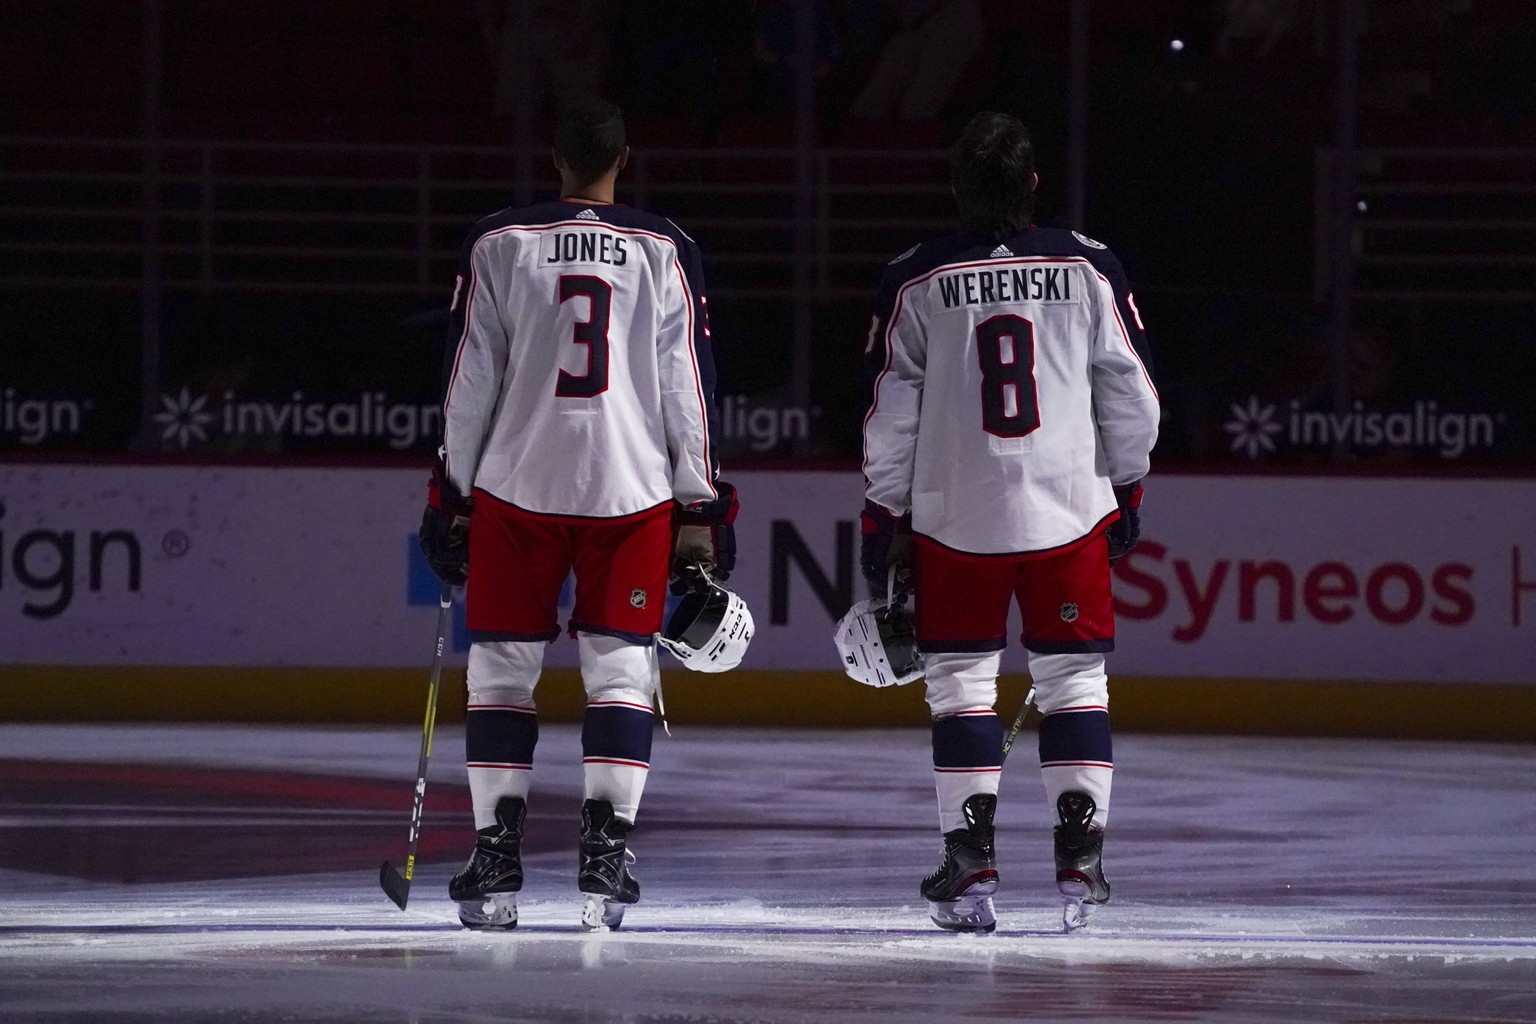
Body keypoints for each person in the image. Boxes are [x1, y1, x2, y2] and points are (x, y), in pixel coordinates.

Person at [419, 98, 739, 932]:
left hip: (516, 488)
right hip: (628, 492)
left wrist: (450, 495)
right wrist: (701, 502)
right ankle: (605, 860)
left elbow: (469, 383)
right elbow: (687, 386)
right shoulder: (665, 247)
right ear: (622, 159)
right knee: (620, 675)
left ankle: (497, 860)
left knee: (499, 673)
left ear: (553, 158)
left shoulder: (498, 242)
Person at [858, 111, 1159, 933]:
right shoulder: (1089, 267)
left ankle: (972, 860)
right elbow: (1131, 395)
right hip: (1069, 508)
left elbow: (891, 416)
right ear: (1033, 185)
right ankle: (1081, 855)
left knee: (960, 688)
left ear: (957, 189)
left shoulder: (914, 279)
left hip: (955, 518)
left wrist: (884, 515)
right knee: (1076, 683)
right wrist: (1126, 487)